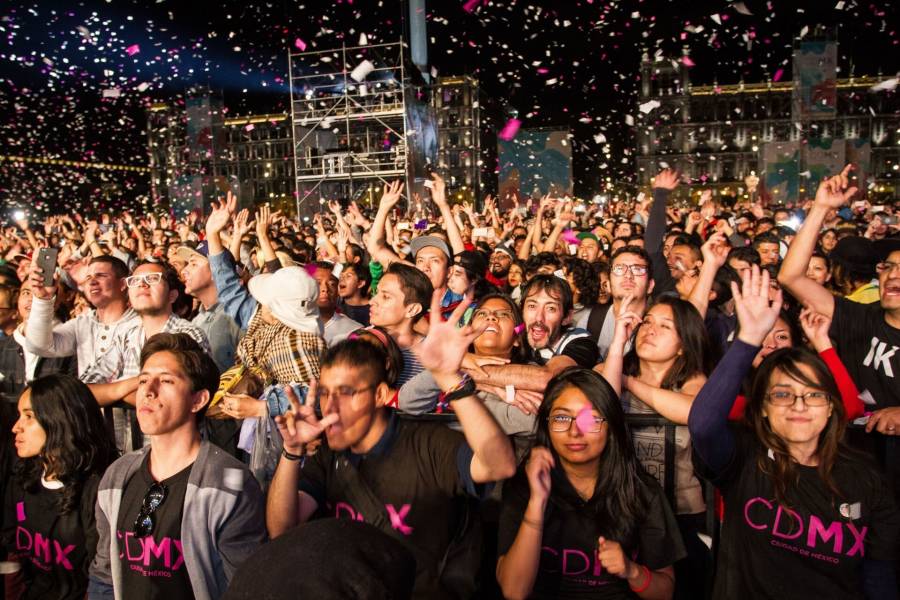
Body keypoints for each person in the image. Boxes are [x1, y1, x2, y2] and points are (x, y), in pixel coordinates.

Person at [265, 292, 516, 598]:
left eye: (346, 392)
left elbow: (499, 464)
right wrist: (292, 453)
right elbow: (283, 530)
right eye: (326, 393)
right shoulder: (328, 455)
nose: (331, 406)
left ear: (381, 395)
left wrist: (448, 378)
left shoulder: (428, 445)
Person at [689, 265, 900, 599]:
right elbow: (702, 424)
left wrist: (822, 344)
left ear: (831, 406)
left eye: (814, 394)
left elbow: (879, 577)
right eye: (783, 394)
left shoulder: (867, 480)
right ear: (762, 408)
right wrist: (748, 340)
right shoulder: (744, 460)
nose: (799, 405)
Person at [88, 333, 266, 599]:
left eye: (167, 380)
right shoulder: (117, 475)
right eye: (144, 380)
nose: (148, 390)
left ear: (198, 400)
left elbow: (244, 589)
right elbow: (104, 577)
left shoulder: (228, 484)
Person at [495, 368, 684, 599]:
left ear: (610, 426)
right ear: (547, 424)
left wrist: (632, 571)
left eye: (590, 419)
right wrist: (537, 502)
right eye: (562, 418)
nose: (575, 431)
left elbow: (664, 593)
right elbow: (514, 591)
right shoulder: (524, 487)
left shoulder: (641, 490)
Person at [3, 375, 117, 600]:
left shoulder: (98, 488)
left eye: (29, 417)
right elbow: (11, 553)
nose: (16, 427)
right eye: (19, 416)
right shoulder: (22, 476)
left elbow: (101, 579)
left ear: (59, 420)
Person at [80, 262, 209, 452]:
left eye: (152, 279)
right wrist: (137, 383)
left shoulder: (189, 335)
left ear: (172, 295)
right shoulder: (127, 335)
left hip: (176, 453)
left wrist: (112, 393)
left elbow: (183, 400)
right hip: (128, 453)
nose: (142, 285)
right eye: (136, 281)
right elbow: (84, 390)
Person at [466, 274, 598, 410]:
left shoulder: (580, 342)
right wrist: (490, 385)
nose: (539, 318)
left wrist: (464, 372)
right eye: (532, 306)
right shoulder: (520, 333)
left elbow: (546, 378)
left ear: (567, 317)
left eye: (551, 308)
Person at [25, 256, 138, 378]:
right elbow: (38, 346)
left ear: (122, 284)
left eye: (101, 276)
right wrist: (43, 298)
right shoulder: (82, 323)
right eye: (88, 277)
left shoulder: (139, 325)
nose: (92, 282)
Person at [177, 240, 241, 373]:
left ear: (216, 271)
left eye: (194, 264)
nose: (184, 271)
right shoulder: (195, 322)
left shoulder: (237, 314)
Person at [337, 261, 372, 327]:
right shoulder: (334, 303)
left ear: (360, 283)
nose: (342, 279)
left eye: (348, 276)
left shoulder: (372, 310)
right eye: (340, 276)